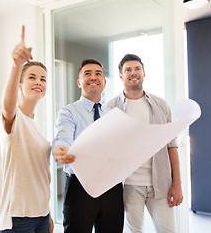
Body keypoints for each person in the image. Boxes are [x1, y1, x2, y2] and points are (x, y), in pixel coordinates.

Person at [106, 54, 183, 233]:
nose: (133, 73)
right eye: (128, 70)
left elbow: (171, 145)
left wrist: (177, 184)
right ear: (121, 76)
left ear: (144, 73)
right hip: (130, 185)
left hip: (161, 183)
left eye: (137, 69)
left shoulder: (161, 105)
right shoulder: (111, 107)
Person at [53, 59, 124, 233]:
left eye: (98, 74)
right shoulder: (68, 111)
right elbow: (63, 136)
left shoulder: (113, 114)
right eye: (87, 74)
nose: (93, 77)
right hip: (80, 186)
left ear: (104, 82)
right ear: (79, 82)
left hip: (111, 185)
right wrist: (62, 149)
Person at [0, 25, 54, 233]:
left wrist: (47, 212)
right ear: (19, 85)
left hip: (41, 214)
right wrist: (16, 66)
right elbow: (7, 106)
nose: (38, 82)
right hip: (18, 216)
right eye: (32, 77)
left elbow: (40, 175)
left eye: (43, 79)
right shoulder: (15, 118)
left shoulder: (37, 125)